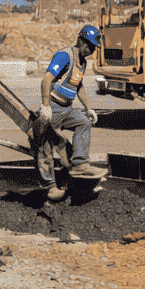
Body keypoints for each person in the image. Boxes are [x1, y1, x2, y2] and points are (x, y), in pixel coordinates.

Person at [36, 25, 101, 199]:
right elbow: (47, 79)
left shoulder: (83, 62)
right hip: (54, 107)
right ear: (81, 41)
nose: (92, 50)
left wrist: (89, 109)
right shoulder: (65, 55)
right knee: (45, 145)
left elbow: (79, 86)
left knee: (84, 122)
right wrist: (46, 105)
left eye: (94, 47)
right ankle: (49, 186)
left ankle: (80, 164)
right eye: (91, 46)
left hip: (67, 108)